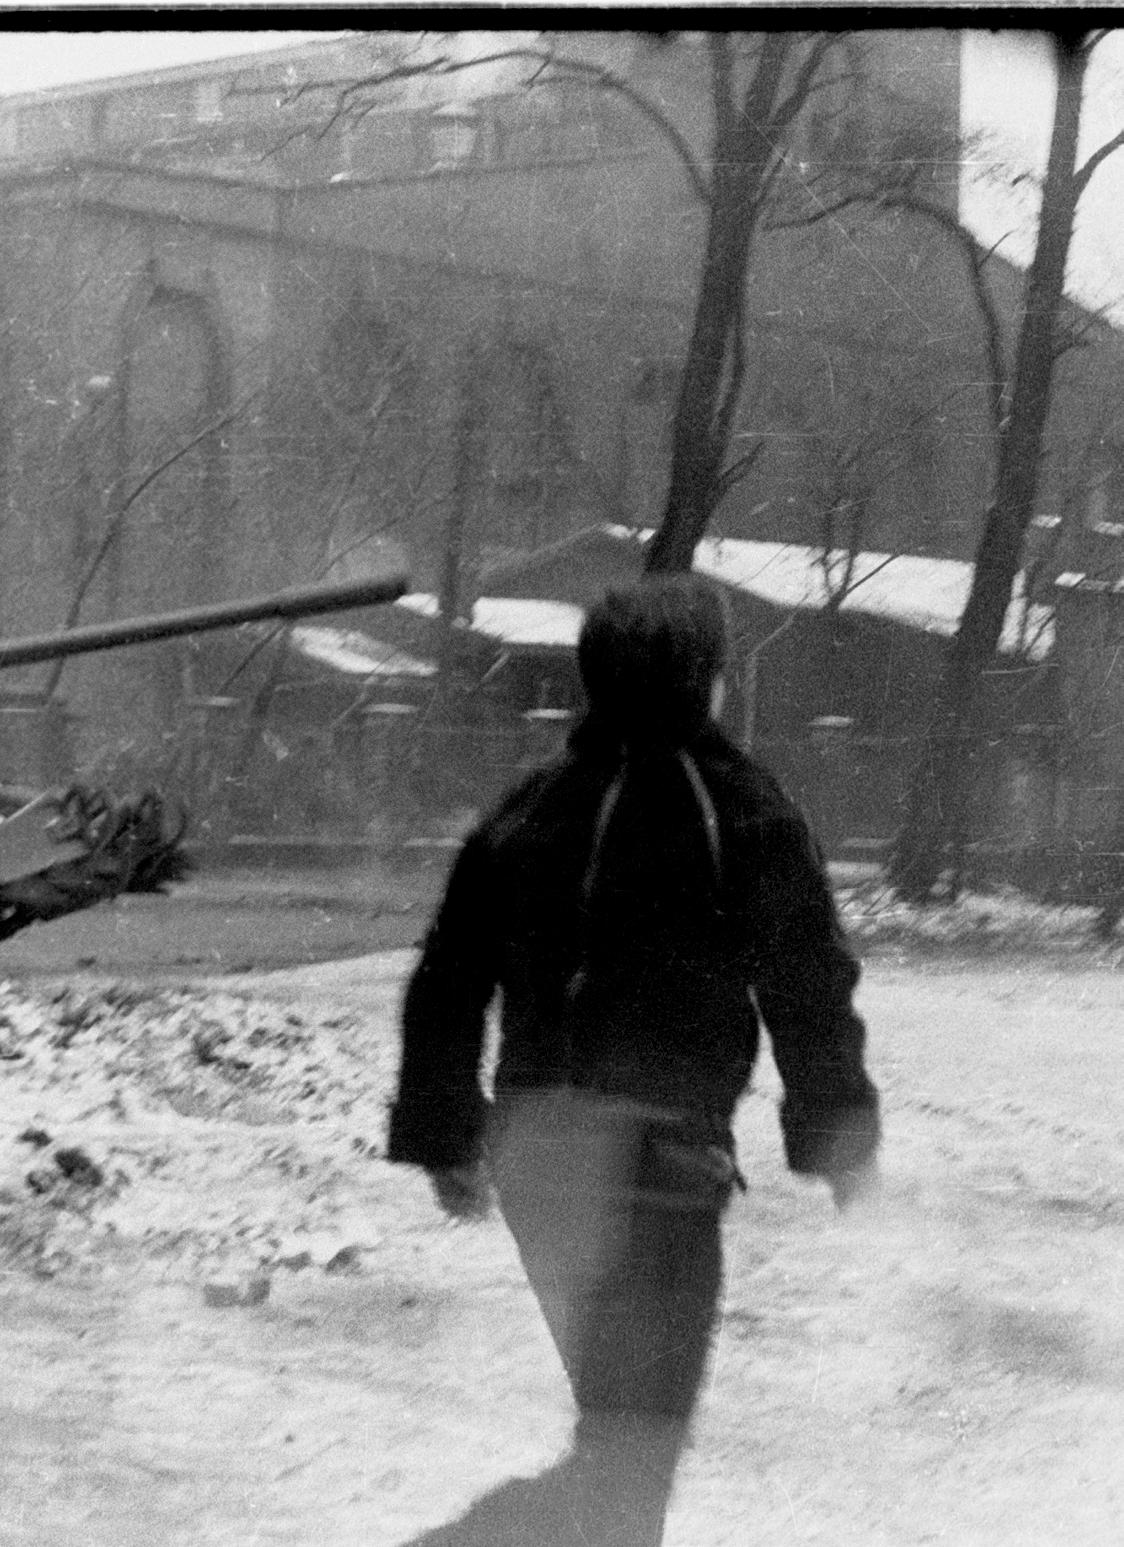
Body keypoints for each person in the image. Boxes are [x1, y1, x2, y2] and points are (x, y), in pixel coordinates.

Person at [387, 574, 880, 1542]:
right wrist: (837, 1137)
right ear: (706, 679)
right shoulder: (740, 809)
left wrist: (445, 1133)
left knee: (616, 1436)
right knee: (630, 1454)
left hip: (535, 1151)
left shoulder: (530, 808)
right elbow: (807, 983)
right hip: (654, 1163)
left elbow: (447, 977)